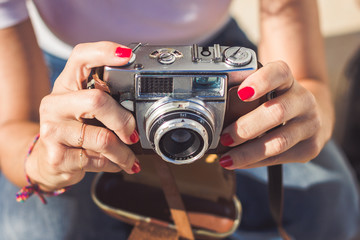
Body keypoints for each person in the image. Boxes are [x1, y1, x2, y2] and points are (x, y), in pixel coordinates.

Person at [0, 0, 359, 239]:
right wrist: (42, 161)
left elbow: (307, 80)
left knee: (328, 198)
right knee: (32, 229)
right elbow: (13, 124)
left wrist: (312, 121)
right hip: (77, 70)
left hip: (212, 51)